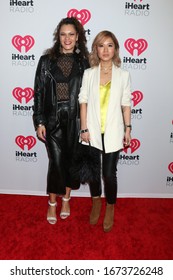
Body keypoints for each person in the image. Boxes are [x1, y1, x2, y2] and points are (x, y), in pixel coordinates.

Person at [33, 17, 89, 225]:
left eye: (71, 34)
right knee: (56, 163)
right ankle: (52, 203)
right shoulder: (46, 61)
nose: (67, 38)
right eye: (63, 34)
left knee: (71, 162)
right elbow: (38, 93)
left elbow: (88, 97)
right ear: (58, 36)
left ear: (78, 37)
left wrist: (86, 125)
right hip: (52, 120)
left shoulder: (85, 63)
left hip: (75, 119)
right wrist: (39, 121)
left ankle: (66, 199)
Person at [78, 30, 132, 232]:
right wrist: (83, 128)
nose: (106, 50)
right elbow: (82, 102)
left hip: (113, 130)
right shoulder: (89, 73)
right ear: (96, 49)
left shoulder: (123, 75)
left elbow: (126, 104)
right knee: (93, 173)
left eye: (110, 45)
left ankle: (110, 206)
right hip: (91, 129)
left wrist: (128, 128)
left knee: (109, 174)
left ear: (115, 49)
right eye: (101, 45)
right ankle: (96, 202)